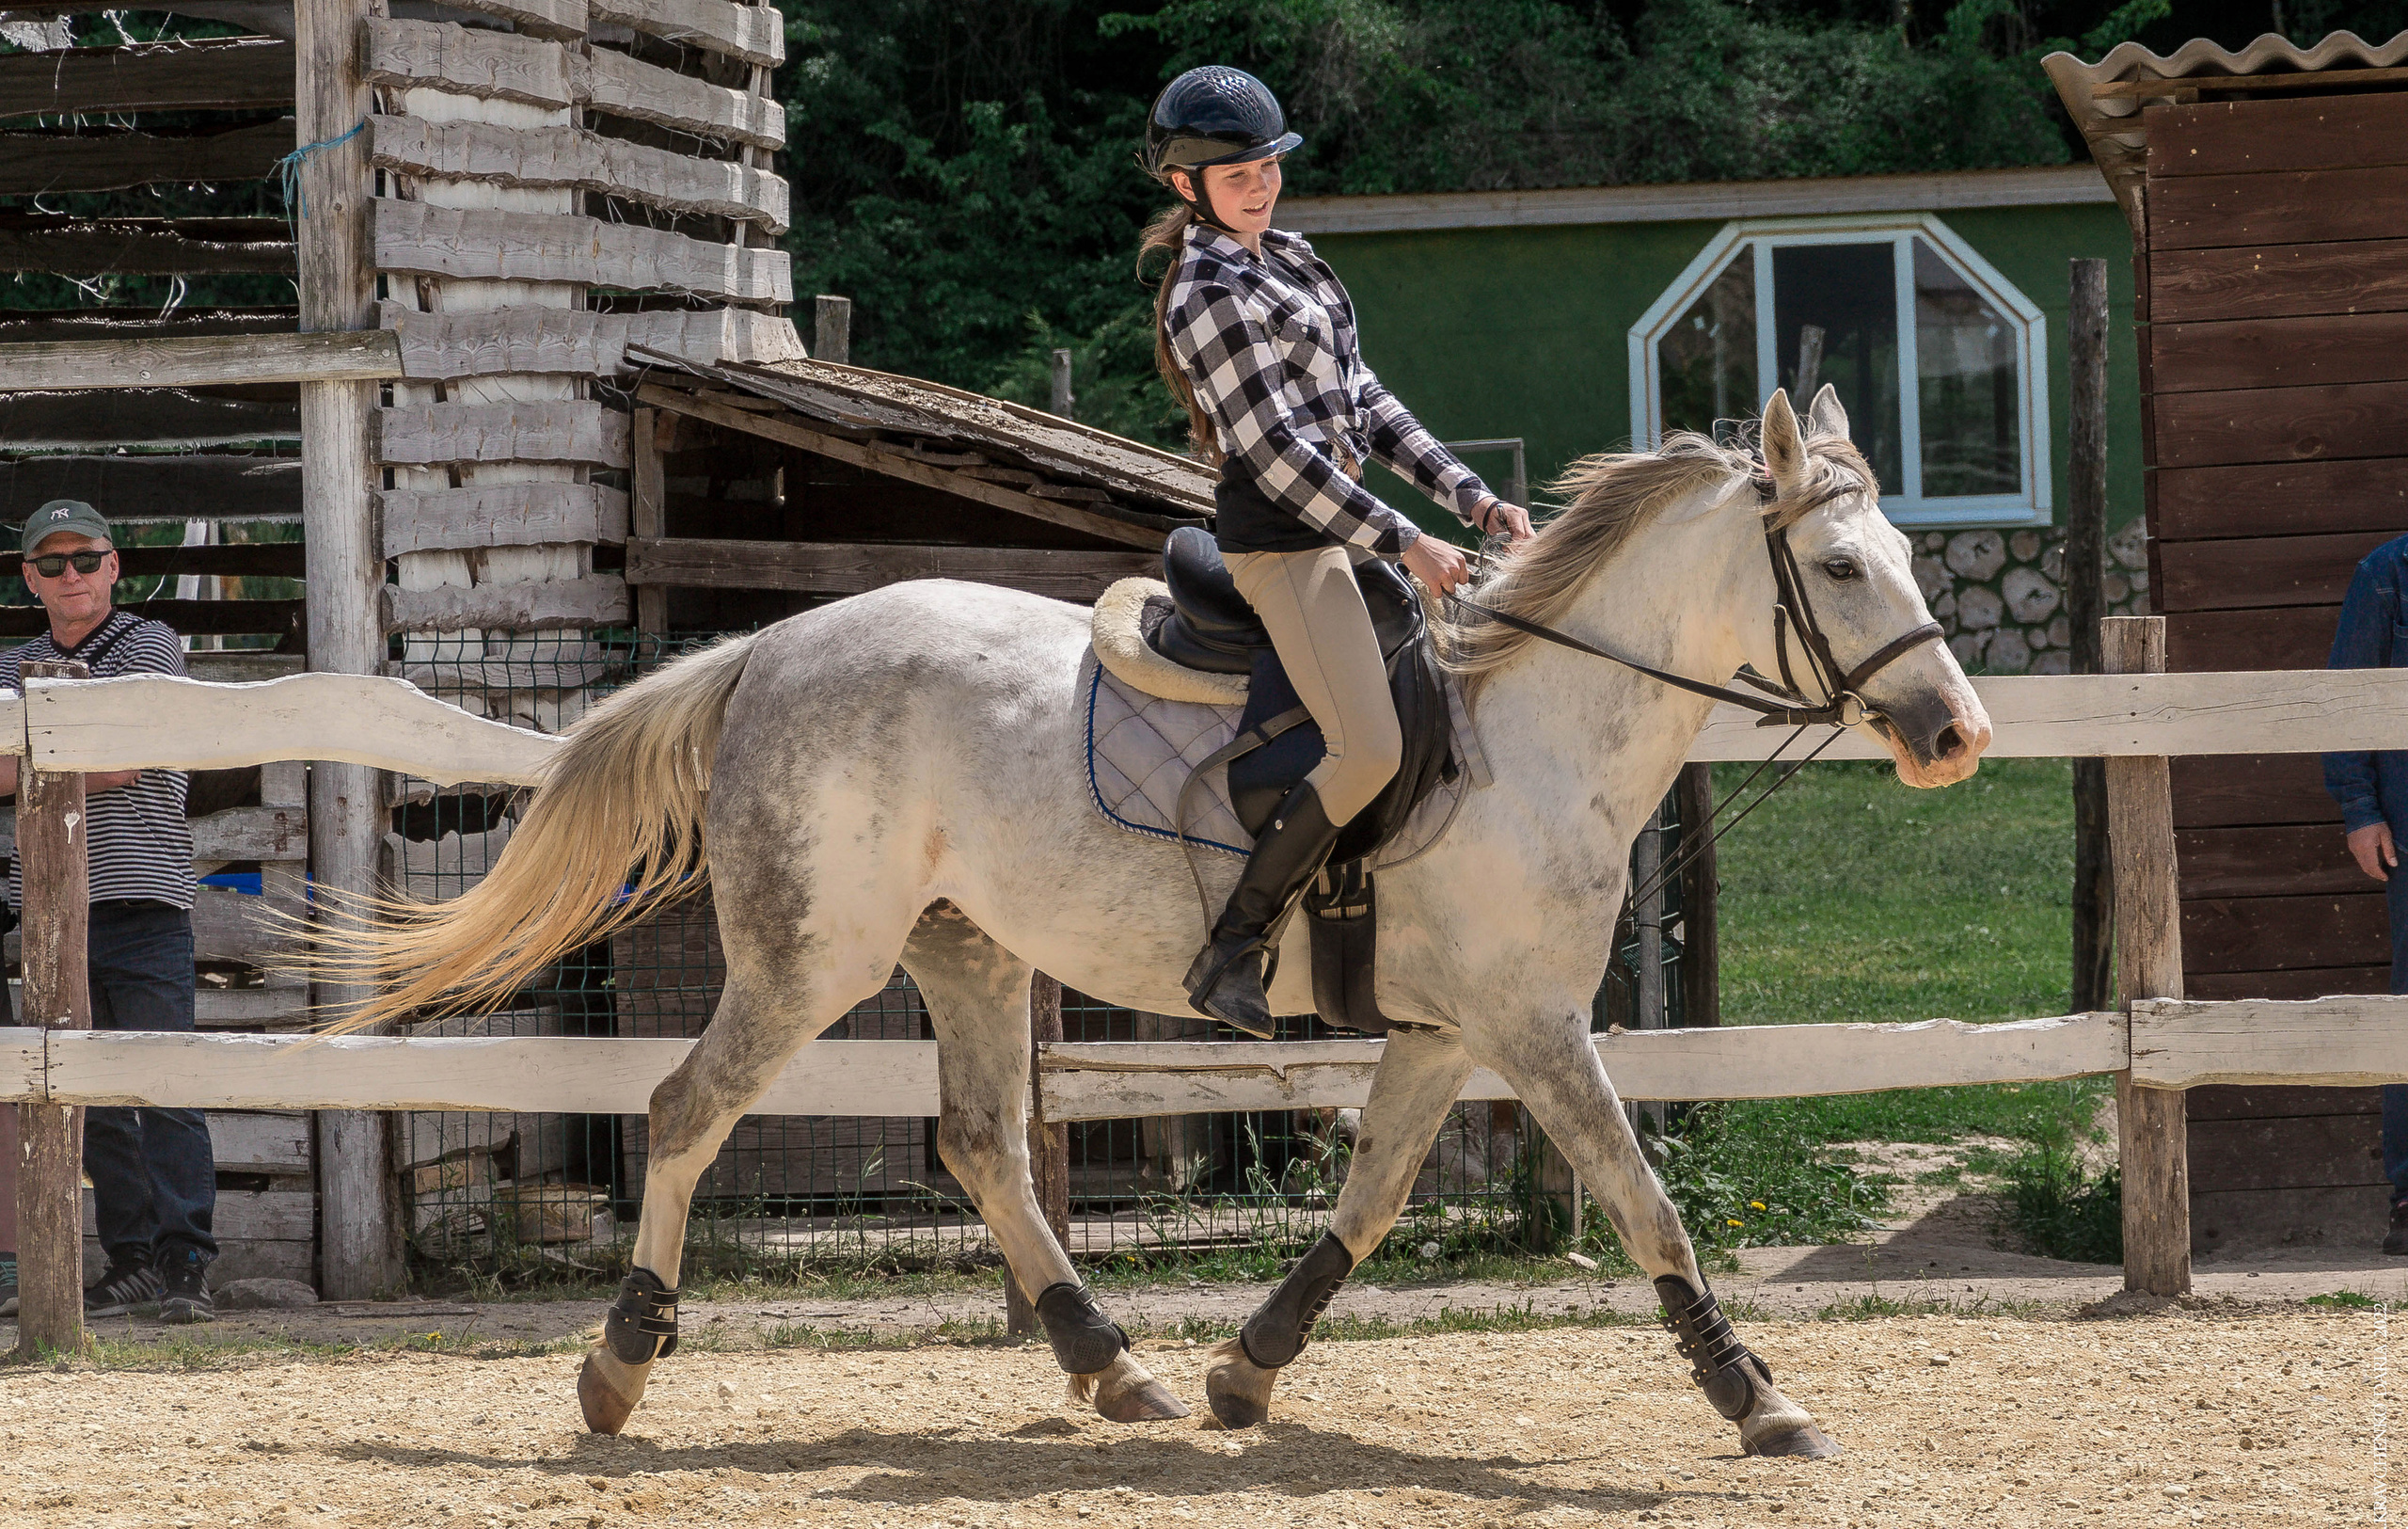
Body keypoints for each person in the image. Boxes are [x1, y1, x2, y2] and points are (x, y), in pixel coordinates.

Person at [1139, 65, 1534, 1035]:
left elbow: (1367, 404)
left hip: (1342, 529)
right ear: (1185, 186)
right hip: (1286, 546)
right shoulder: (1204, 288)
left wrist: (1471, 497)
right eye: (1236, 176)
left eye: (1267, 165)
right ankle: (1234, 945)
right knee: (1367, 749)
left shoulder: (1294, 260)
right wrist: (1405, 540)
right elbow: (1274, 453)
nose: (1260, 185)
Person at [0, 500, 215, 1321]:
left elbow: (128, 760)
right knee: (82, 1094)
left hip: (142, 898)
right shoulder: (12, 662)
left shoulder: (150, 643)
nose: (71, 577)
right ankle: (131, 1260)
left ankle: (184, 1260)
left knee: (165, 1080)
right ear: (30, 579)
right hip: (51, 910)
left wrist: (40, 767)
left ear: (114, 567)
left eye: (84, 560)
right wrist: (71, 760)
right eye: (51, 565)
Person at [2324, 532, 2408, 1255]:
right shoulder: (2387, 575)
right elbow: (2348, 698)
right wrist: (2361, 808)